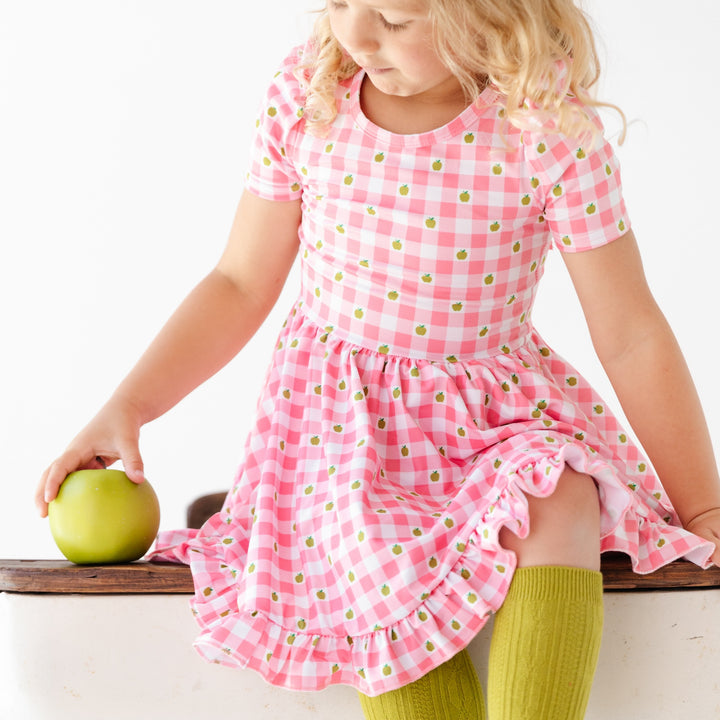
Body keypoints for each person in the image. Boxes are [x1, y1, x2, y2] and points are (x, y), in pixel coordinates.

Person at [36, 0, 720, 717]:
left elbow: (630, 331)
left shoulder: (545, 128)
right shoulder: (311, 99)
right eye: (339, 3)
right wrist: (128, 407)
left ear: (491, 15)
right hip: (342, 438)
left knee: (561, 494)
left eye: (394, 17)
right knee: (369, 560)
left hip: (493, 418)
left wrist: (703, 504)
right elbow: (238, 282)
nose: (356, 33)